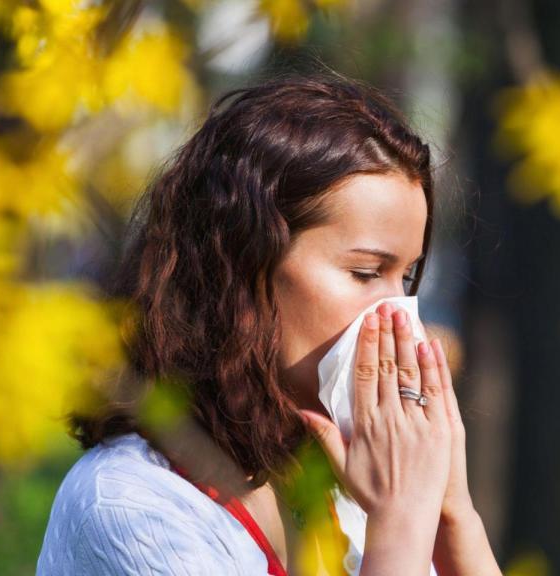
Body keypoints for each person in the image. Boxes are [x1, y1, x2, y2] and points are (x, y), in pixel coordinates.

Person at [35, 71, 502, 576]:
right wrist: (401, 521)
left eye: (406, 277)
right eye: (366, 272)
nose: (400, 319)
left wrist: (452, 517)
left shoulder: (351, 487)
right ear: (243, 264)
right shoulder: (130, 506)